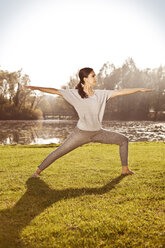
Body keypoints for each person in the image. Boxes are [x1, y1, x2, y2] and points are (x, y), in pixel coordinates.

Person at [25, 67, 152, 177]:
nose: (96, 78)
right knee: (60, 151)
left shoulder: (101, 94)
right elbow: (54, 91)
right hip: (80, 134)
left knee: (123, 140)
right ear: (85, 79)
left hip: (98, 132)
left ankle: (125, 169)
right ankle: (37, 171)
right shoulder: (74, 94)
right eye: (93, 76)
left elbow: (120, 92)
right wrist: (35, 87)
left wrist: (139, 89)